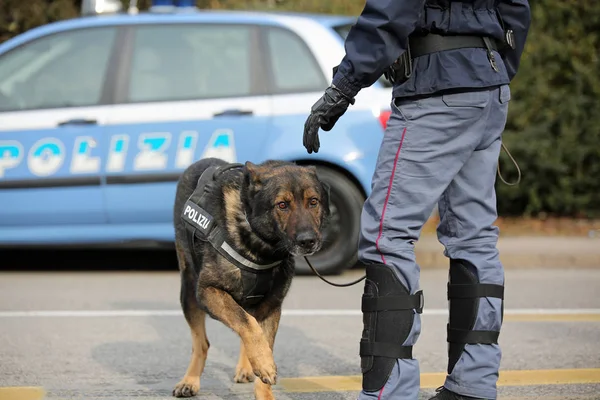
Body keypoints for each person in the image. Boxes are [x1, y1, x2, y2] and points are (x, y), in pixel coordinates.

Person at [302, 1, 531, 399]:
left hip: (437, 91)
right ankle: (473, 386)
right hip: (488, 86)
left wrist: (342, 88)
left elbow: (392, 10)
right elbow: (516, 9)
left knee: (385, 237)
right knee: (474, 237)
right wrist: (488, 66)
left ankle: (389, 392)